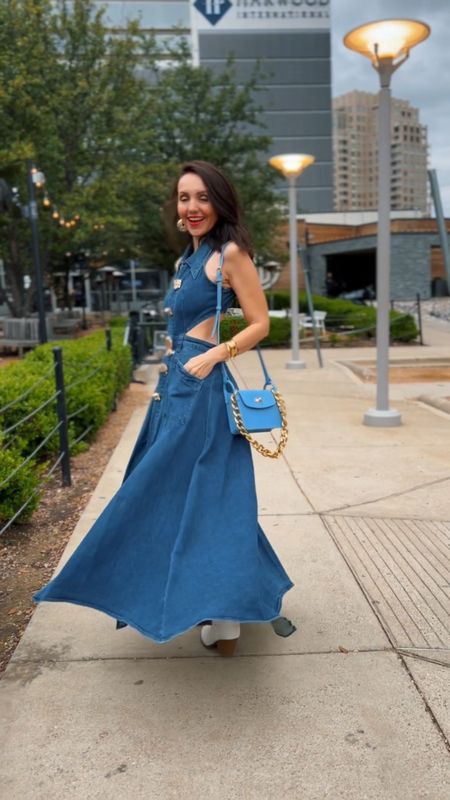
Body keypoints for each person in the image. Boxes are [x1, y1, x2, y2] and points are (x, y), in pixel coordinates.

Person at [33, 160, 294, 657]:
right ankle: (222, 611)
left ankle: (221, 611)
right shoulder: (190, 258)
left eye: (201, 197)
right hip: (173, 388)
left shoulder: (230, 253)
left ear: (219, 202)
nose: (192, 207)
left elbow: (259, 322)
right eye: (183, 198)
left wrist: (214, 353)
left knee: (179, 495)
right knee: (185, 496)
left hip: (199, 391)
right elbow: (201, 316)